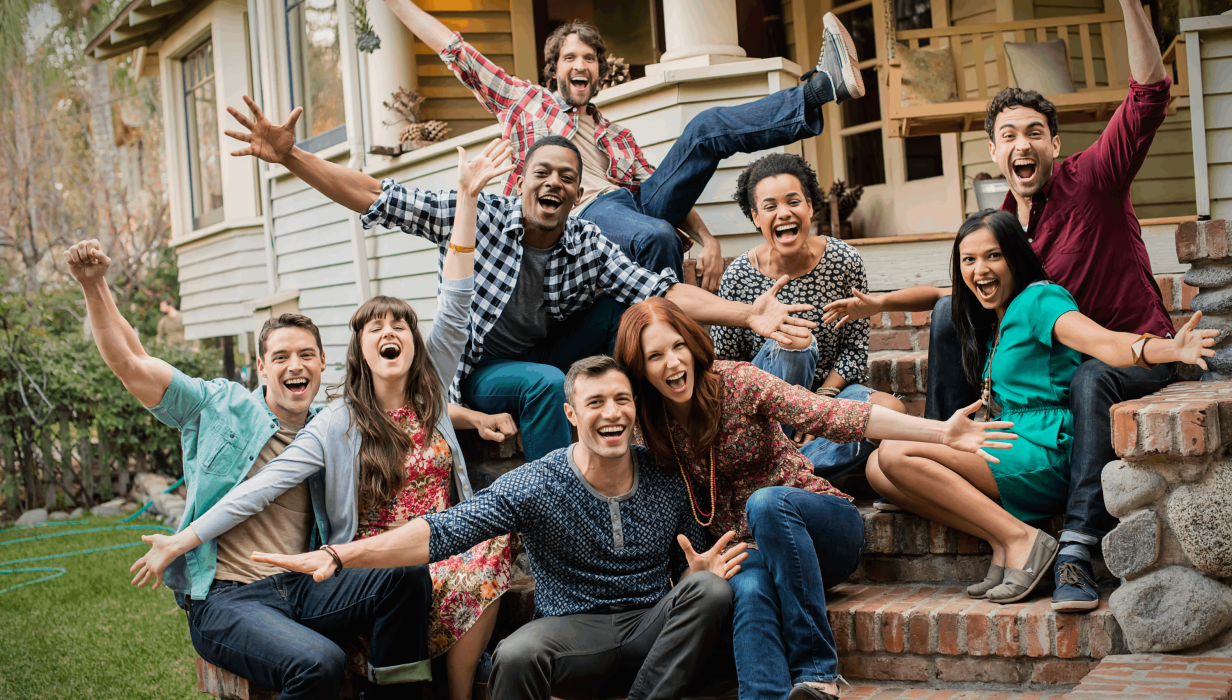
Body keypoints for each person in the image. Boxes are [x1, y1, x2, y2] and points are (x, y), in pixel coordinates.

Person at [128, 141, 522, 700]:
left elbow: (456, 298)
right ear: (359, 349)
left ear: (415, 340)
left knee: (487, 541)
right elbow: (261, 488)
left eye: (401, 324)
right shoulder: (335, 423)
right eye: (375, 326)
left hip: (436, 546)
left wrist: (465, 197)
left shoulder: (432, 395)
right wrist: (182, 540)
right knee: (392, 585)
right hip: (368, 562)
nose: (391, 332)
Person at [820, 0, 1177, 611]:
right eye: (1008, 135)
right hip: (1055, 371)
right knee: (942, 320)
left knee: (1092, 375)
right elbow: (957, 294)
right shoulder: (1006, 227)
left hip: (1129, 352)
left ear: (1055, 143)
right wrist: (879, 302)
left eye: (1034, 132)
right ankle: (946, 441)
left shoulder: (1093, 180)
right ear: (993, 152)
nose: (1022, 144)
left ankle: (1075, 544)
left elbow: (1147, 95)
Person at [224, 102, 818, 462]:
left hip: (544, 350)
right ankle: (560, 497)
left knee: (633, 313)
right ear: (522, 181)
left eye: (567, 176)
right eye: (542, 173)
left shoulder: (585, 240)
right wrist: (292, 157)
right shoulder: (479, 217)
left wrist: (747, 315)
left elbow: (658, 290)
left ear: (579, 194)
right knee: (543, 384)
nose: (553, 183)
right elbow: (378, 196)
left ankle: (672, 436)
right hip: (479, 372)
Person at [247, 355, 749, 700]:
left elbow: (697, 562)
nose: (611, 413)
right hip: (572, 634)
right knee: (515, 652)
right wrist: (339, 556)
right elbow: (443, 531)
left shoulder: (665, 476)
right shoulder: (537, 483)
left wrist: (691, 576)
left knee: (709, 589)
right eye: (595, 403)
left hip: (650, 624)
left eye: (622, 400)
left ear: (635, 409)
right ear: (572, 415)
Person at [64, 240, 432, 700]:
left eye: (305, 355)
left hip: (302, 587)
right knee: (320, 664)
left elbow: (401, 406)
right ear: (261, 367)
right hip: (227, 600)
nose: (294, 366)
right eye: (280, 357)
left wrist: (473, 417)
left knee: (406, 576)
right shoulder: (216, 405)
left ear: (322, 364)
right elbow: (130, 361)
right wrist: (94, 285)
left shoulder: (332, 427)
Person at [613, 297, 1017, 700]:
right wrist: (689, 573)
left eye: (678, 346)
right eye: (655, 356)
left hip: (823, 528)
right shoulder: (648, 428)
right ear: (638, 368)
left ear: (693, 345)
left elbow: (830, 415)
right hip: (750, 550)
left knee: (766, 503)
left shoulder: (735, 382)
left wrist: (940, 432)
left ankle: (817, 676)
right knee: (748, 586)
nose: (672, 363)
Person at [371, 0, 867, 289]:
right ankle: (672, 350)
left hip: (628, 201)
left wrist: (710, 239)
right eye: (570, 58)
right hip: (580, 212)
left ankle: (822, 88)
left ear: (598, 70)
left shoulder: (616, 134)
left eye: (589, 57)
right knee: (656, 238)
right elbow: (456, 51)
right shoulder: (525, 103)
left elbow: (666, 193)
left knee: (706, 126)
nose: (580, 65)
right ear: (555, 68)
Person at [866, 210, 1215, 605]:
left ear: (1015, 256)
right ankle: (1003, 542)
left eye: (992, 256)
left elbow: (1102, 343)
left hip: (1046, 444)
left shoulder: (1039, 299)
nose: (980, 269)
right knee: (876, 468)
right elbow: (939, 299)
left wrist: (1170, 348)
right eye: (969, 260)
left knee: (896, 451)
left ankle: (1024, 540)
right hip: (1011, 435)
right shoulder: (1000, 316)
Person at [714, 152, 905, 484]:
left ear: (811, 207)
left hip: (825, 398)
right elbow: (726, 370)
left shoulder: (844, 261)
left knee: (893, 413)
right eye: (770, 206)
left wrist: (817, 407)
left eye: (793, 201)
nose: (784, 213)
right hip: (766, 411)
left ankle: (786, 469)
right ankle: (808, 465)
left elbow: (854, 350)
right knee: (794, 342)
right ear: (756, 217)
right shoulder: (737, 278)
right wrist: (790, 412)